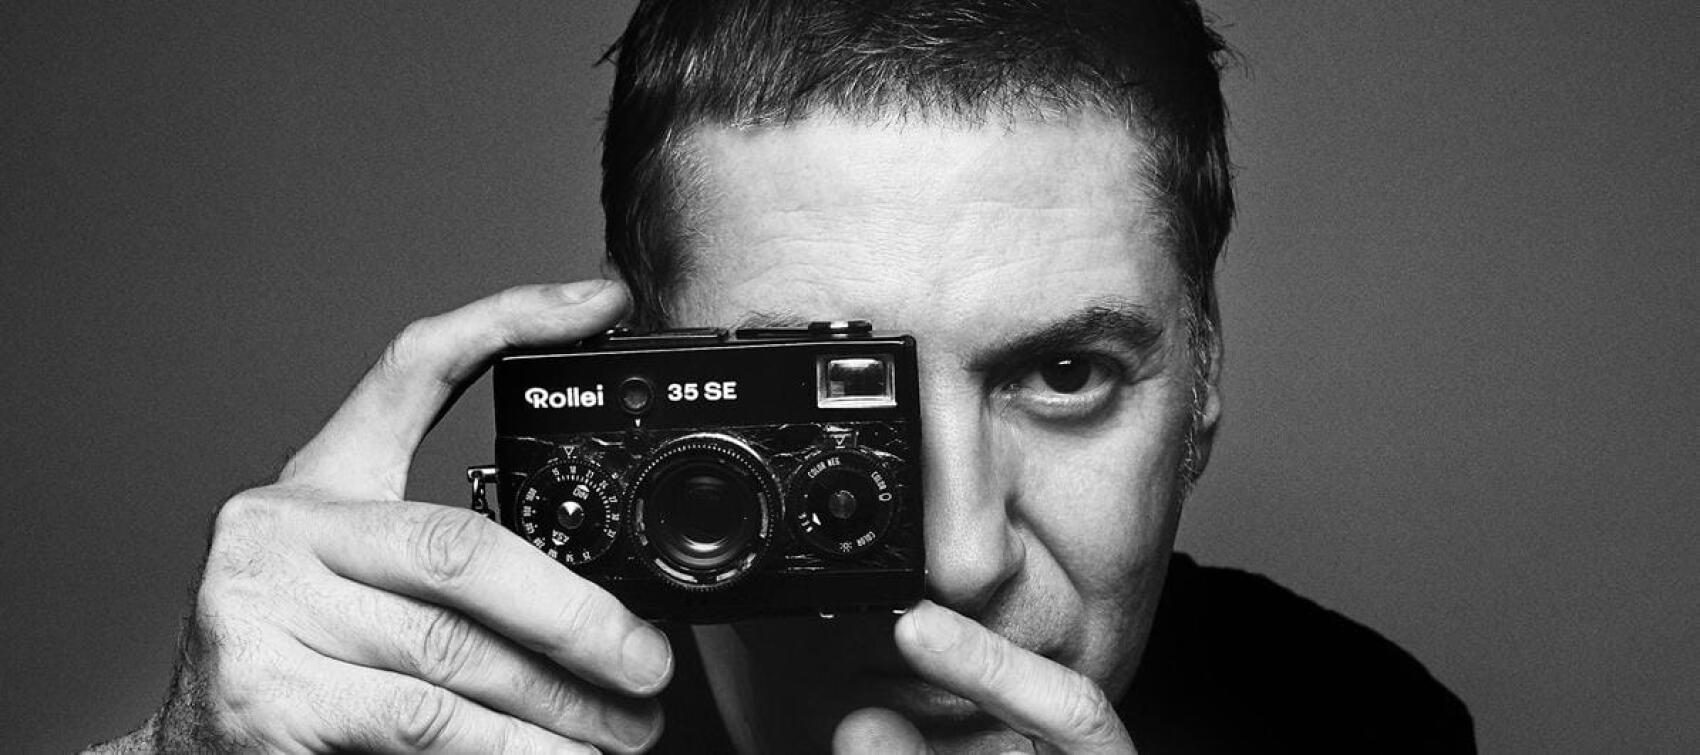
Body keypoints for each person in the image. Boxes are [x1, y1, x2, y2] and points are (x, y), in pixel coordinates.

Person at [95, 1, 1473, 752]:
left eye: (1066, 372)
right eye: (816, 392)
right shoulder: (444, 725)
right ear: (643, 380)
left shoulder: (1355, 724)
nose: (957, 556)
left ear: (1204, 379)